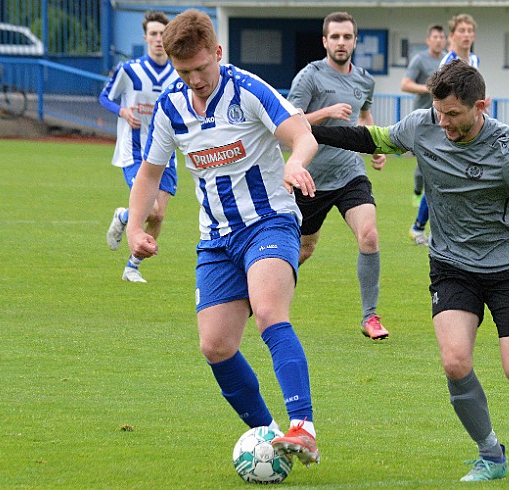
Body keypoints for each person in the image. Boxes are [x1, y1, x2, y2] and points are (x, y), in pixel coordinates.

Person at [309, 61, 509, 481]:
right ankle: (492, 456)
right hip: (452, 266)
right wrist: (303, 130)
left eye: (453, 115)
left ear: (480, 106)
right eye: (438, 112)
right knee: (454, 362)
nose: (443, 123)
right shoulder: (422, 125)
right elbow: (368, 137)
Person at [126, 9, 320, 466]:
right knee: (215, 345)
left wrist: (296, 162)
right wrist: (136, 227)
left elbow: (302, 134)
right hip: (216, 239)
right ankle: (269, 435)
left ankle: (303, 427)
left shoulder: (249, 90)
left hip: (270, 222)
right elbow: (149, 174)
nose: (194, 79)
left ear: (217, 52)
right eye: (183, 71)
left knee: (270, 314)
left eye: (201, 68)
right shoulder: (171, 108)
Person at [287, 11, 389, 340]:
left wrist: (374, 143)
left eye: (347, 37)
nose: (341, 42)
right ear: (325, 41)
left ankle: (370, 317)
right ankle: (256, 290)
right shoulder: (310, 77)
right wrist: (326, 112)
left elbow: (364, 115)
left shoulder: (364, 80)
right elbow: (289, 122)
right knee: (303, 250)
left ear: (355, 41)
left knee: (369, 236)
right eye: (335, 37)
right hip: (309, 178)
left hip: (349, 174)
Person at [100, 10, 178, 283]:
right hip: (134, 152)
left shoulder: (179, 73)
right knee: (152, 210)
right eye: (153, 34)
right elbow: (105, 97)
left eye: (162, 34)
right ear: (145, 37)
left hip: (167, 154)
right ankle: (125, 215)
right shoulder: (129, 70)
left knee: (158, 217)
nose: (158, 39)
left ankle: (132, 267)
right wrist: (123, 112)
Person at [409, 13, 481, 246]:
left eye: (470, 31)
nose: (467, 35)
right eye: (462, 31)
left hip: (468, 129)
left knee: (461, 179)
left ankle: (436, 229)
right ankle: (422, 227)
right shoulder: (448, 62)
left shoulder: (474, 60)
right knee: (443, 180)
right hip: (445, 129)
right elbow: (439, 97)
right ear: (452, 36)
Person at [400, 24, 447, 216]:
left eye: (441, 37)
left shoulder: (447, 59)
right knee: (424, 159)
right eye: (435, 37)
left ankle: (438, 195)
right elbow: (405, 85)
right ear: (428, 40)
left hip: (444, 118)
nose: (438, 40)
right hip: (423, 117)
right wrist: (429, 90)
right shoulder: (420, 60)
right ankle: (418, 192)